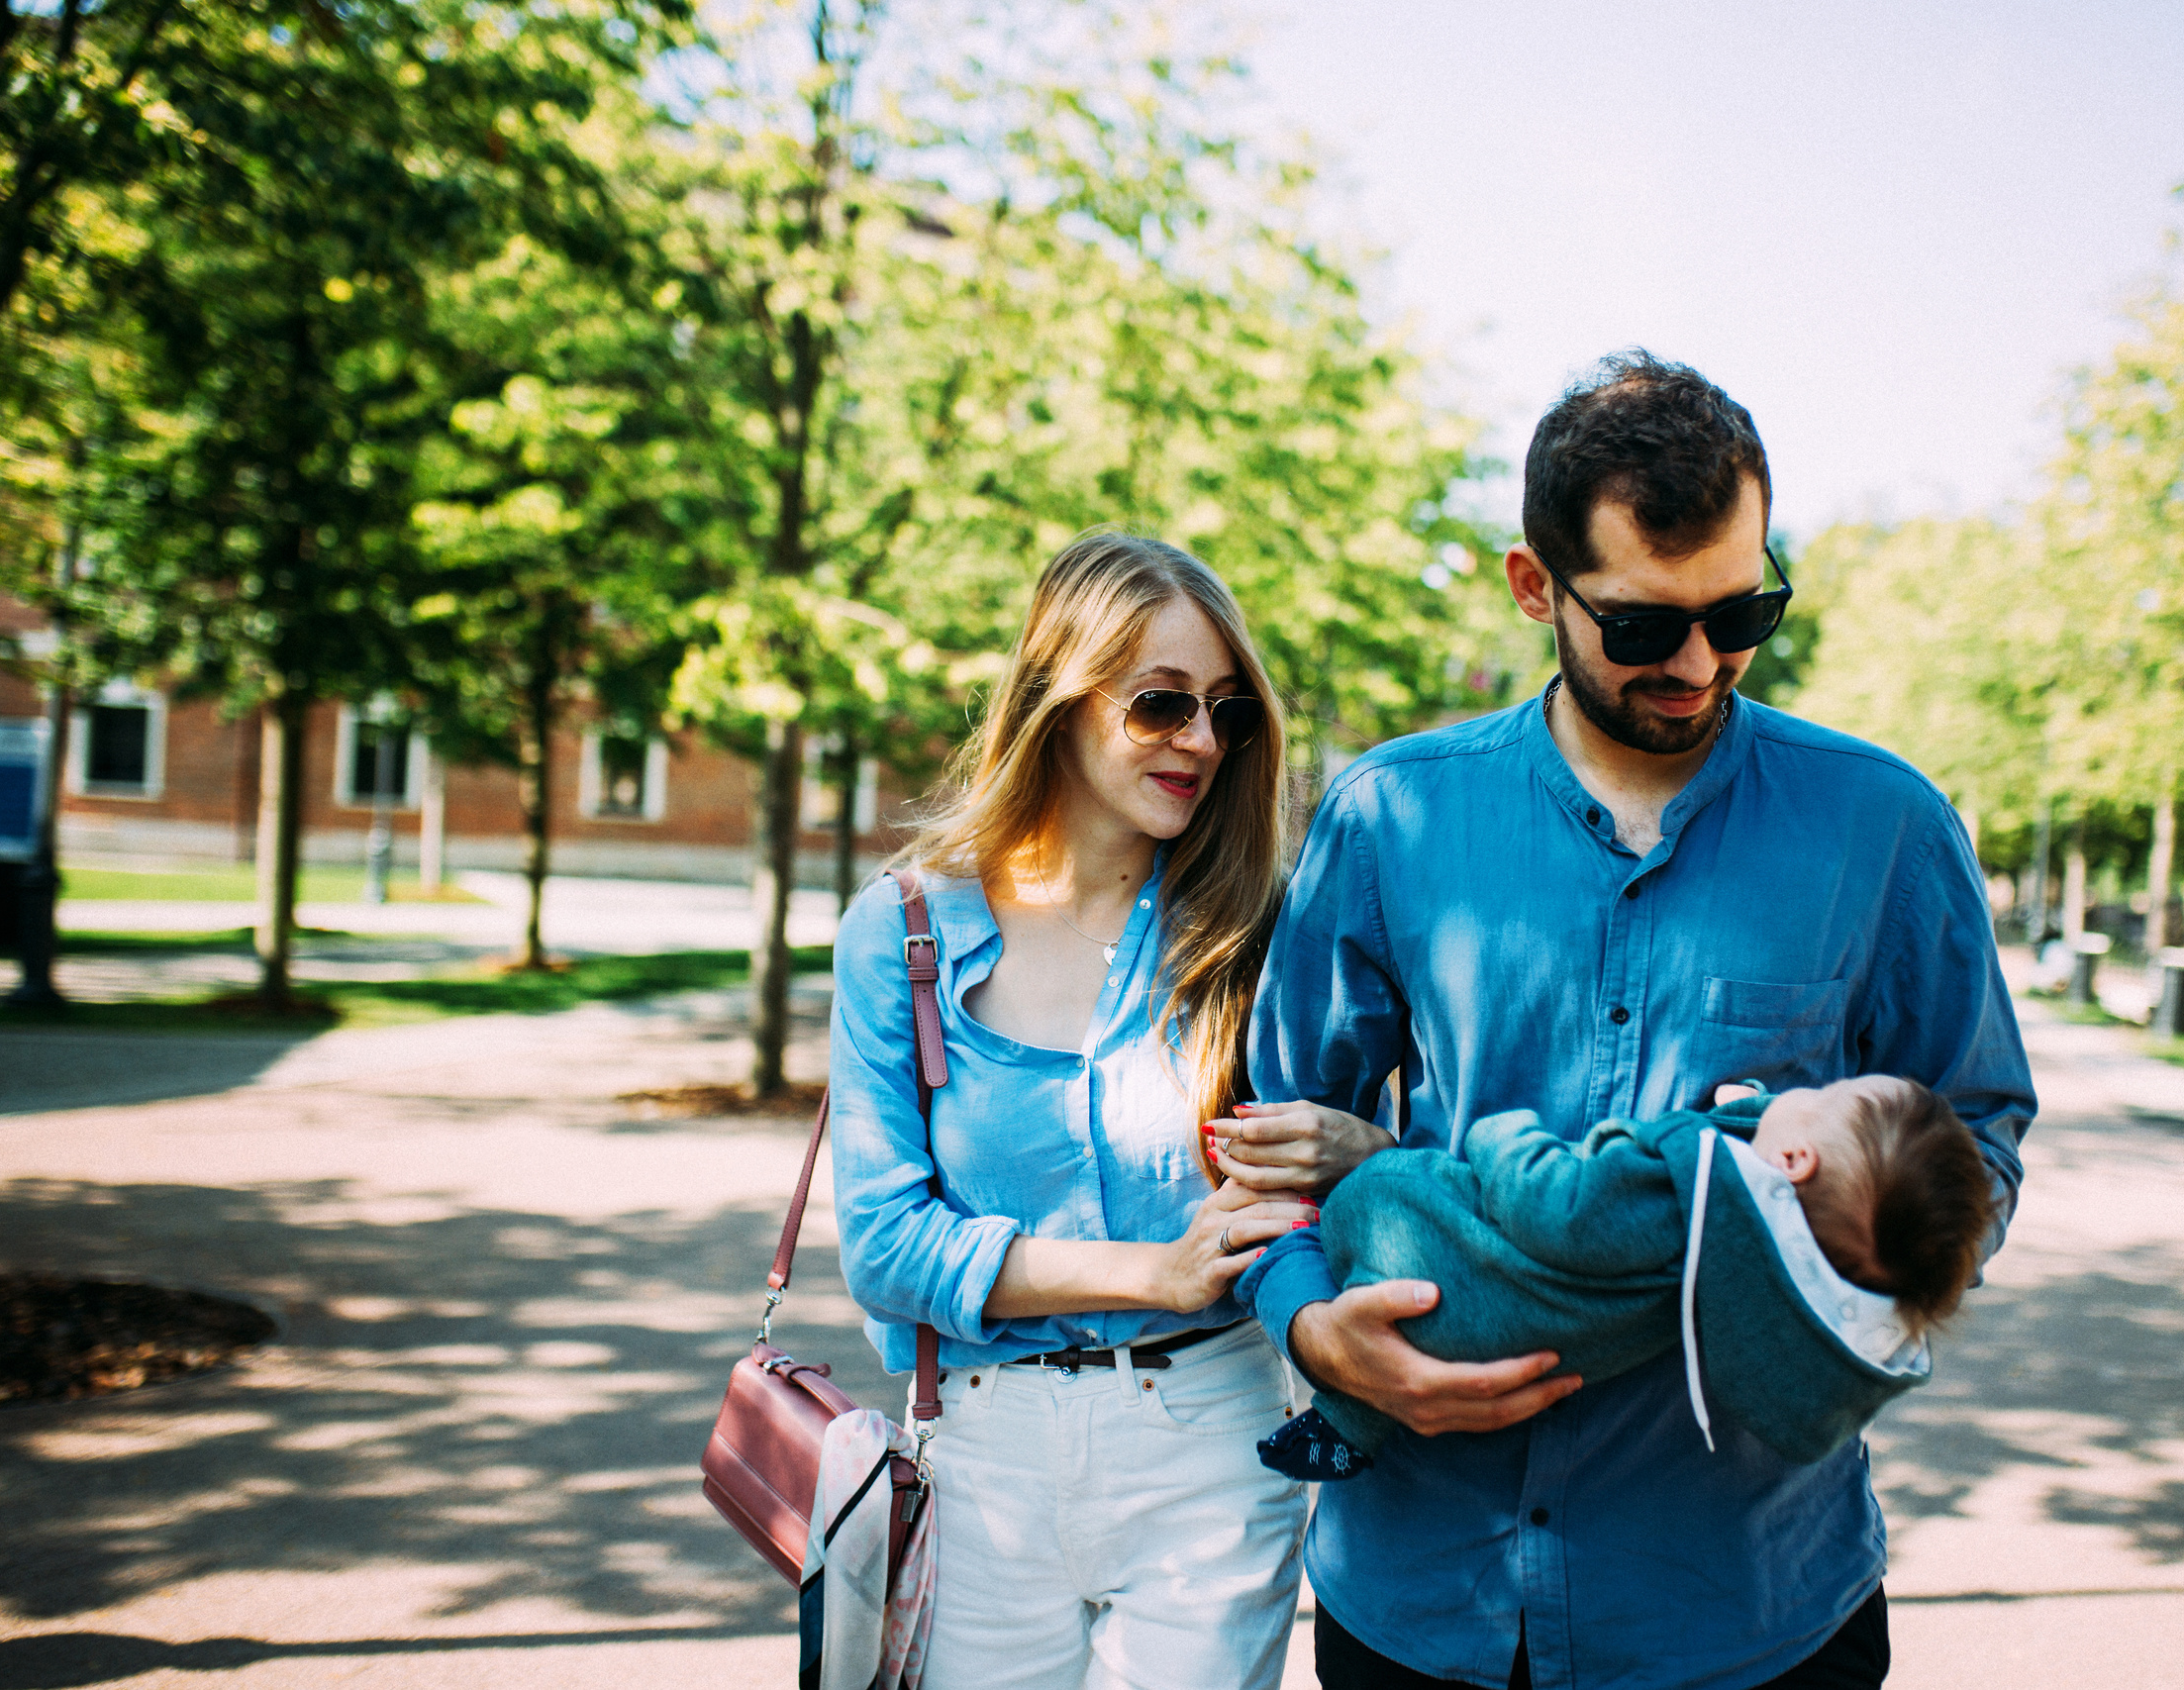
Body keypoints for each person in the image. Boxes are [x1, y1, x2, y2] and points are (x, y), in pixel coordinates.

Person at [1219, 351, 2036, 1690]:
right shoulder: (1387, 815)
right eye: (1648, 625)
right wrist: (1318, 1331)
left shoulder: (1885, 825)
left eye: (1743, 607)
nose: (1703, 660)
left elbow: (1979, 1136)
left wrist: (1822, 1282)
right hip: (1425, 1595)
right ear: (1534, 586)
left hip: (1752, 1605)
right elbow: (1263, 1145)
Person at [829, 531, 1349, 1690]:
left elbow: (1298, 1195)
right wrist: (1155, 1268)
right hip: (976, 1455)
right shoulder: (904, 929)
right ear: (1057, 699)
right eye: (1161, 704)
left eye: (1228, 712)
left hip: (1209, 1435)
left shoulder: (1253, 936)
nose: (1203, 742)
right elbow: (884, 1248)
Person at [1257, 1074, 1998, 1479]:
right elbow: (1753, 1171)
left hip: (1441, 1275)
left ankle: (1351, 1421)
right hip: (1525, 1342)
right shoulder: (1756, 1278)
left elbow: (1552, 1205)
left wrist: (1500, 1130)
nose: (1796, 1092)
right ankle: (1355, 1423)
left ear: (1794, 1161)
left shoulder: (1675, 1193)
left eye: (1817, 1095)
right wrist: (1752, 1114)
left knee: (1394, 1194)